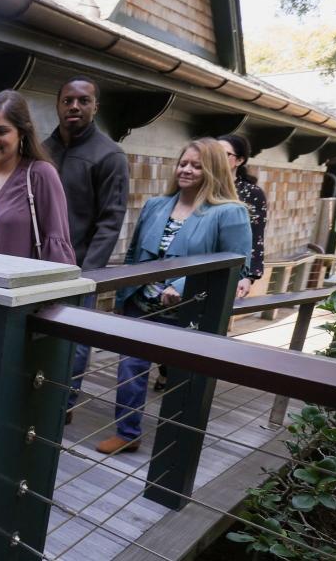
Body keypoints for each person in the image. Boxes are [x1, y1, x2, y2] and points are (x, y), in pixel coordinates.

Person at [95, 138, 251, 455]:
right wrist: (124, 296)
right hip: (142, 304)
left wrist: (179, 287)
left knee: (183, 379)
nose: (187, 170)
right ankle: (127, 433)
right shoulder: (156, 205)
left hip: (190, 311)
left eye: (196, 165)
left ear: (213, 169)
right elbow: (134, 255)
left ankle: (178, 445)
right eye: (183, 163)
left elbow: (233, 266)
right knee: (129, 368)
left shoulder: (230, 213)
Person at [43, 75, 129, 424]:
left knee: (74, 344)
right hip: (35, 267)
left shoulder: (109, 155)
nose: (75, 106)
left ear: (96, 106)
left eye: (83, 100)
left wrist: (87, 273)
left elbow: (111, 220)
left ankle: (62, 406)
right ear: (59, 105)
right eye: (68, 100)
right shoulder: (42, 149)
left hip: (79, 269)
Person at [0, 89, 75, 264]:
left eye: (1, 131)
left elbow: (56, 246)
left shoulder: (39, 175)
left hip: (24, 289)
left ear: (22, 133)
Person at [218, 134, 267, 297]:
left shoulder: (251, 193)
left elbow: (255, 236)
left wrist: (247, 275)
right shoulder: (197, 185)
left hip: (228, 264)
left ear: (239, 160)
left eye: (224, 154)